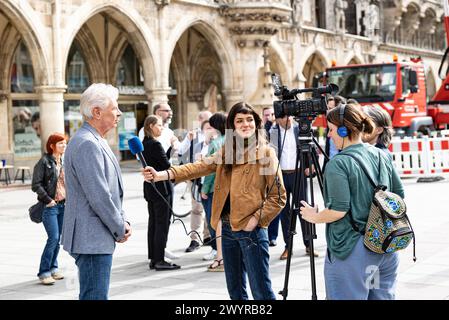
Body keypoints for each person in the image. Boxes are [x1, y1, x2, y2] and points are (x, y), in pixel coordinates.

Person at [143, 102, 286, 300]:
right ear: (232, 126)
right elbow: (199, 167)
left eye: (249, 120)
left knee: (261, 292)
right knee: (235, 291)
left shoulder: (265, 153)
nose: (245, 124)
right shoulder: (227, 151)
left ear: (256, 123)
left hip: (251, 231)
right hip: (226, 229)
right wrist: (162, 175)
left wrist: (255, 220)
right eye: (239, 121)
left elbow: (278, 197)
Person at [300, 103, 404, 300]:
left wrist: (313, 216)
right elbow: (399, 195)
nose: (329, 135)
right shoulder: (382, 155)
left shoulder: (338, 163)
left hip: (353, 252)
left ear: (343, 129)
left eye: (331, 130)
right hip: (385, 247)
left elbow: (338, 211)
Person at [61, 83, 132, 300]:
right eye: (115, 108)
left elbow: (109, 190)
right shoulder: (86, 143)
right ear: (97, 112)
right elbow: (99, 195)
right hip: (91, 239)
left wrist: (122, 220)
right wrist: (120, 227)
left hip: (95, 236)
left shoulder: (93, 139)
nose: (119, 112)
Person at [269, 115, 319, 259]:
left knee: (304, 209)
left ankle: (309, 245)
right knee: (285, 213)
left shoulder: (300, 129)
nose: (288, 119)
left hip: (299, 174)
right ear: (277, 119)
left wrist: (312, 165)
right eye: (284, 117)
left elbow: (312, 148)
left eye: (289, 116)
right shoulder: (272, 133)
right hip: (281, 177)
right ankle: (288, 247)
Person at [142, 115, 180, 271]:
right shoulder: (155, 144)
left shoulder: (144, 143)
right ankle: (159, 260)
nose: (162, 128)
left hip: (150, 188)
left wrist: (169, 149)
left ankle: (154, 257)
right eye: (159, 125)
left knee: (153, 223)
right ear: (151, 126)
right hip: (161, 188)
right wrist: (172, 148)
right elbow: (165, 165)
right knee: (162, 224)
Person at [32, 133, 67, 285]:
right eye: (60, 144)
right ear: (52, 146)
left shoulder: (64, 161)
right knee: (53, 238)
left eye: (65, 143)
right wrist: (48, 200)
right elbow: (36, 185)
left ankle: (53, 268)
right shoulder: (44, 162)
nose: (63, 146)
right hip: (50, 206)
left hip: (63, 205)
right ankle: (44, 271)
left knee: (58, 239)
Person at [178, 111, 212, 253]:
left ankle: (208, 236)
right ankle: (195, 239)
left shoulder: (217, 140)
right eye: (205, 120)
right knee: (197, 209)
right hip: (196, 180)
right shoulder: (194, 136)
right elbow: (181, 151)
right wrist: (188, 139)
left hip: (211, 180)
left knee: (210, 210)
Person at [200, 112, 227, 270]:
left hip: (215, 188)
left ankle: (220, 256)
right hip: (229, 188)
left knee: (215, 222)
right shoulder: (232, 140)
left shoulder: (216, 143)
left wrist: (205, 189)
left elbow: (210, 170)